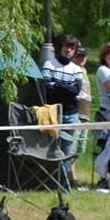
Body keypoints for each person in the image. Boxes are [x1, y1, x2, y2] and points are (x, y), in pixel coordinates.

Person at [41, 34, 85, 188]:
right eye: (67, 47)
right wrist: (67, 86)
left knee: (68, 150)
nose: (69, 50)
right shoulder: (49, 64)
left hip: (71, 114)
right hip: (52, 114)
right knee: (51, 149)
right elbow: (47, 90)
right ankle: (49, 181)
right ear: (60, 48)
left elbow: (76, 90)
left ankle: (62, 182)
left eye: (72, 48)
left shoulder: (77, 69)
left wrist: (58, 84)